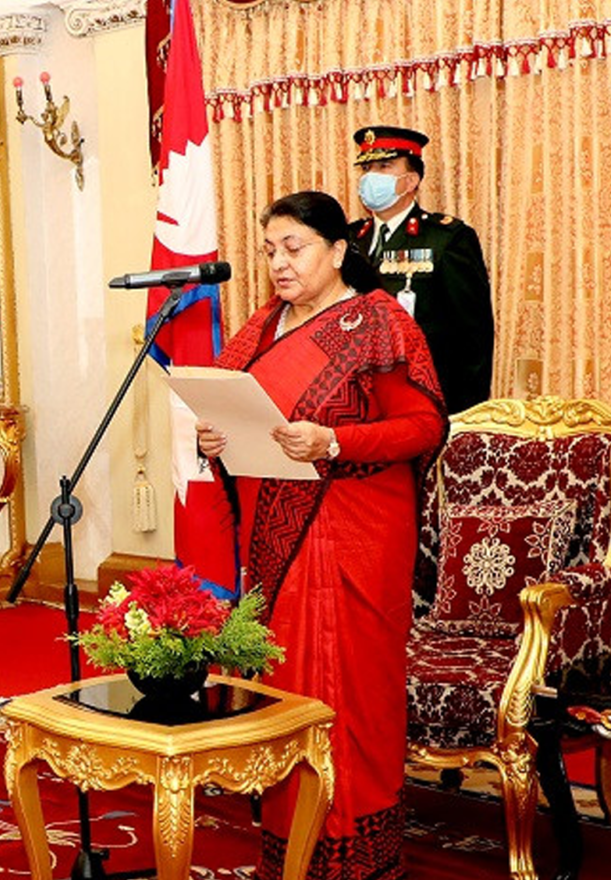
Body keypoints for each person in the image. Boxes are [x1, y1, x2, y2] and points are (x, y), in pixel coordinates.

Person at [196, 192, 447, 879]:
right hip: (276, 537)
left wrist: (335, 441)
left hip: (354, 534)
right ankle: (292, 848)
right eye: (269, 250)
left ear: (338, 251)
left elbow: (424, 426)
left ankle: (356, 855)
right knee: (284, 689)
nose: (279, 263)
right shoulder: (260, 328)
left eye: (294, 247)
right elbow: (237, 409)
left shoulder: (379, 324)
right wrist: (216, 439)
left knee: (349, 695)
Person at [347, 124, 494, 412]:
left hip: (422, 397)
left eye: (384, 166)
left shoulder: (446, 239)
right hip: (358, 397)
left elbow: (472, 336)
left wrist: (463, 414)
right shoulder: (349, 238)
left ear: (411, 180)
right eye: (366, 169)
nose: (370, 177)